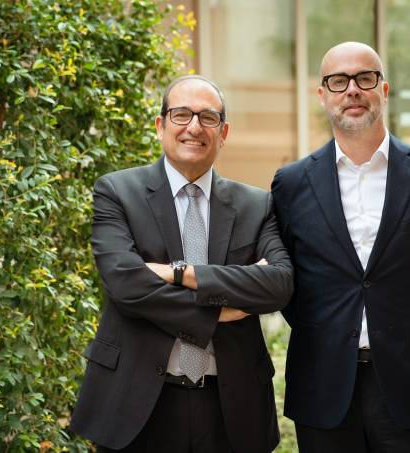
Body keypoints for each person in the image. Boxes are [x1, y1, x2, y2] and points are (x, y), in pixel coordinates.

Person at [69, 75, 293, 453]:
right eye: (181, 114)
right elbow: (126, 285)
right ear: (160, 126)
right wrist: (218, 311)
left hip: (232, 408)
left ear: (223, 132)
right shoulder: (117, 192)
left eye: (208, 117)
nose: (194, 127)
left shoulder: (257, 205)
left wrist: (181, 273)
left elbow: (278, 283)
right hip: (136, 405)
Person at [271, 42, 410, 452]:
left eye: (365, 78)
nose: (352, 90)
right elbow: (286, 278)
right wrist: (325, 331)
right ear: (322, 94)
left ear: (384, 89)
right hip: (322, 387)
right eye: (338, 81)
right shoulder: (290, 185)